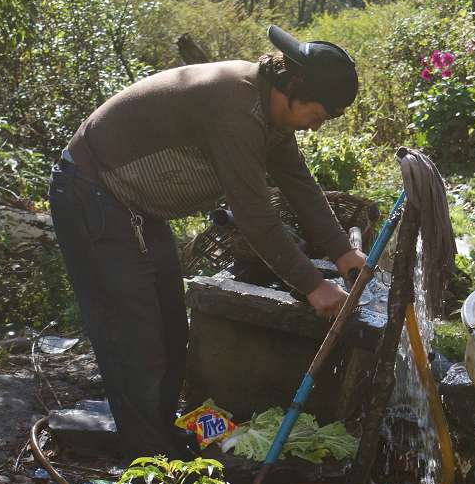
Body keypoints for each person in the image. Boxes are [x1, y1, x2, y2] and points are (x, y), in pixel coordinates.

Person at [48, 25, 367, 460]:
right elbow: (255, 217)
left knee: (170, 327)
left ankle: (156, 435)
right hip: (92, 193)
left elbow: (299, 184)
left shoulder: (269, 111)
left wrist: (344, 253)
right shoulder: (236, 108)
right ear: (294, 87)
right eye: (320, 113)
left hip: (137, 208)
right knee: (134, 334)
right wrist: (313, 285)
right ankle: (149, 465)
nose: (316, 125)